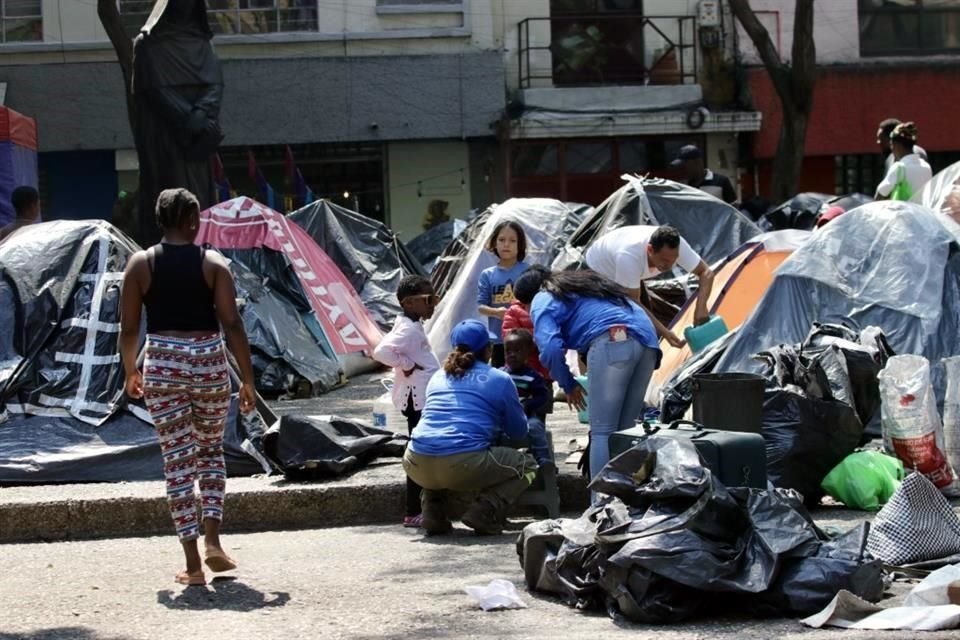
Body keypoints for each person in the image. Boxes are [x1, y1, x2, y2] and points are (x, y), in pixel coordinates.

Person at [119, 188, 256, 587]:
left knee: (177, 462)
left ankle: (193, 566)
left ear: (159, 220)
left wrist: (130, 370)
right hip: (209, 361)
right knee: (211, 451)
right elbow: (232, 324)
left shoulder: (140, 264)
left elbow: (129, 327)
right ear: (193, 220)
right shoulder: (213, 263)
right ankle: (213, 540)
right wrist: (247, 378)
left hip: (163, 362)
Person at [520, 266, 660, 489]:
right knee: (624, 431)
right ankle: (624, 499)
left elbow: (550, 348)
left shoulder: (543, 297)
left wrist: (567, 384)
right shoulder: (582, 287)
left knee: (603, 431)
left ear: (528, 299)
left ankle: (601, 501)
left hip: (612, 342)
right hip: (648, 342)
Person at [402, 319, 537, 536]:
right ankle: (484, 510)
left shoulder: (437, 377)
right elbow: (519, 432)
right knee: (528, 466)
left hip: (415, 462)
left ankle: (432, 512)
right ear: (488, 349)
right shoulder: (499, 379)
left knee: (438, 451)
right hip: (462, 464)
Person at [132, 0, 224, 246]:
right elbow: (154, 90)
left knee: (200, 197)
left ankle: (199, 243)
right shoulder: (147, 45)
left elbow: (215, 84)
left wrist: (201, 113)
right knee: (170, 191)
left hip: (197, 141)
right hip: (167, 139)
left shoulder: (203, 43)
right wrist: (187, 118)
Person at [371, 274, 441, 529]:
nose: (433, 304)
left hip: (421, 398)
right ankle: (413, 511)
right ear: (409, 303)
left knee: (422, 451)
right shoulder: (408, 329)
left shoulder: (412, 323)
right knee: (419, 454)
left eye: (434, 299)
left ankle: (421, 507)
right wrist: (406, 364)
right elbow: (380, 352)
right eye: (428, 300)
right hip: (417, 400)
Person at [584, 225, 715, 348]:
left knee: (651, 320)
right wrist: (664, 332)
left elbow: (706, 272)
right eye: (664, 260)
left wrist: (701, 307)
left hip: (626, 268)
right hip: (599, 272)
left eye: (674, 260)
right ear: (650, 250)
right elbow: (633, 303)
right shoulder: (629, 256)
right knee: (622, 324)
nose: (669, 266)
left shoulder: (678, 246)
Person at [477, 220, 530, 368]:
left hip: (525, 338)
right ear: (494, 243)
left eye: (512, 241)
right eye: (501, 240)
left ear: (520, 245)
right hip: (498, 341)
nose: (506, 245)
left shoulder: (527, 271)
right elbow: (481, 307)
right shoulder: (487, 275)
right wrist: (496, 312)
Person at [501, 328, 553, 469]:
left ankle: (543, 459)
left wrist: (528, 404)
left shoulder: (532, 376)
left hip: (525, 416)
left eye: (517, 351)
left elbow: (542, 396)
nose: (512, 355)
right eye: (508, 352)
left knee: (536, 427)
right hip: (503, 417)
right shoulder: (500, 375)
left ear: (528, 352)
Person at [876, 122, 932, 201]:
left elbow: (879, 196)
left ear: (897, 145)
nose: (892, 149)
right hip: (921, 209)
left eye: (891, 145)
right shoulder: (927, 167)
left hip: (902, 209)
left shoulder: (899, 168)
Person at [671, 145, 737, 204]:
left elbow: (734, 209)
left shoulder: (721, 181)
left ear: (697, 162)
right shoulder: (684, 185)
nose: (681, 169)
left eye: (684, 165)